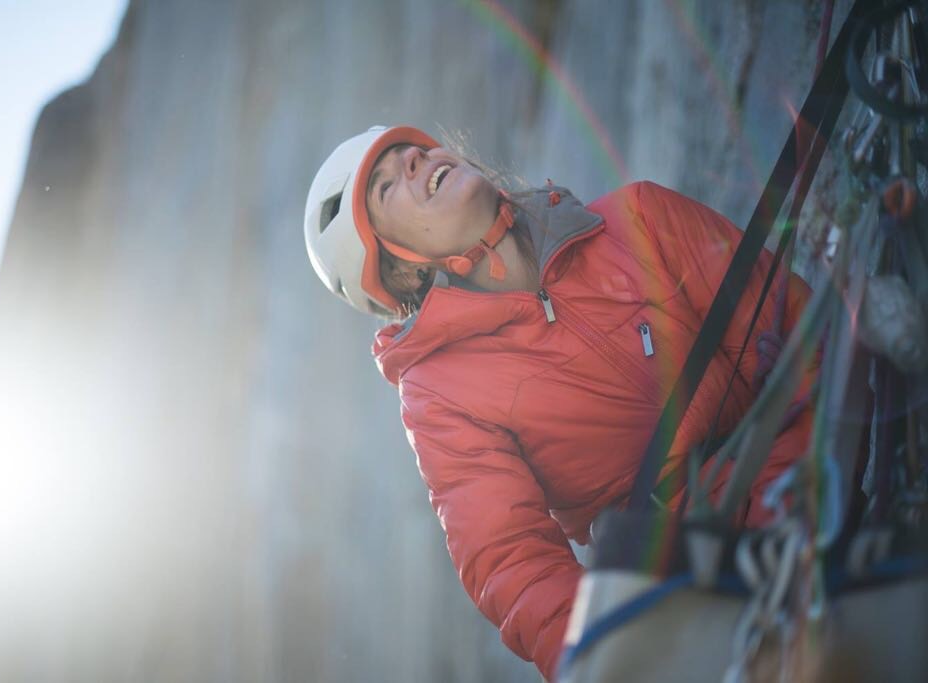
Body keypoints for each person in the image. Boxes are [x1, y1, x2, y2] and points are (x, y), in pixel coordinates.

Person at [303, 125, 815, 680]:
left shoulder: (639, 217)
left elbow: (803, 340)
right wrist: (605, 655)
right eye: (384, 186)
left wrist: (786, 508)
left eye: (416, 151)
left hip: (814, 492)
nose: (415, 161)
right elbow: (512, 561)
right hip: (698, 595)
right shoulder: (442, 396)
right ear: (402, 268)